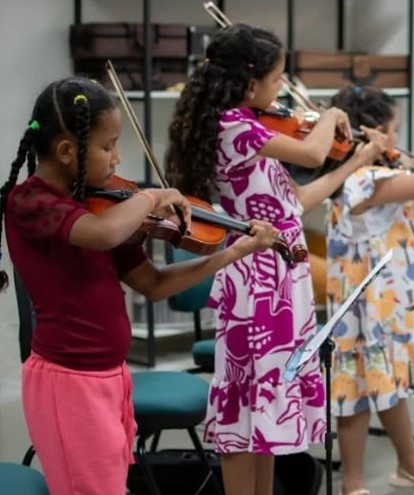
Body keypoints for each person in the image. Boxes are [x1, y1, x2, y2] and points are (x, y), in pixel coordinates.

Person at [0, 77, 280, 495]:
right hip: (69, 383)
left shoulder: (100, 204)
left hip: (111, 375)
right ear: (65, 151)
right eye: (108, 146)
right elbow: (101, 234)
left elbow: (152, 283)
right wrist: (151, 197)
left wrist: (230, 254)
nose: (117, 159)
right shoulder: (31, 203)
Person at [164, 23, 387, 495]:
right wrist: (329, 113)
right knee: (248, 403)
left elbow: (297, 202)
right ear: (248, 84)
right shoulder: (235, 126)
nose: (281, 88)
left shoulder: (255, 128)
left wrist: (355, 163)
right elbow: (311, 150)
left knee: (266, 410)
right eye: (277, 78)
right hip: (257, 280)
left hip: (285, 277)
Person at [325, 85, 414, 494]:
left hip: (387, 308)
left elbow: (410, 208)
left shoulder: (379, 178)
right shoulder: (359, 178)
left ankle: (410, 463)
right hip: (363, 308)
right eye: (394, 130)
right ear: (373, 132)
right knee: (356, 388)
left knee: (385, 384)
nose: (398, 140)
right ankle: (353, 483)